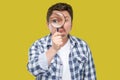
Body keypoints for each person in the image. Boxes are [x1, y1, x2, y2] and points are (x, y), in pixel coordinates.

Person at [27, 2, 97, 80]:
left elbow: (90, 77)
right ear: (48, 25)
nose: (61, 25)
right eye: (55, 20)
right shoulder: (38, 45)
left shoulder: (83, 46)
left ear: (71, 24)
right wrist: (53, 49)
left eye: (65, 20)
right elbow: (33, 69)